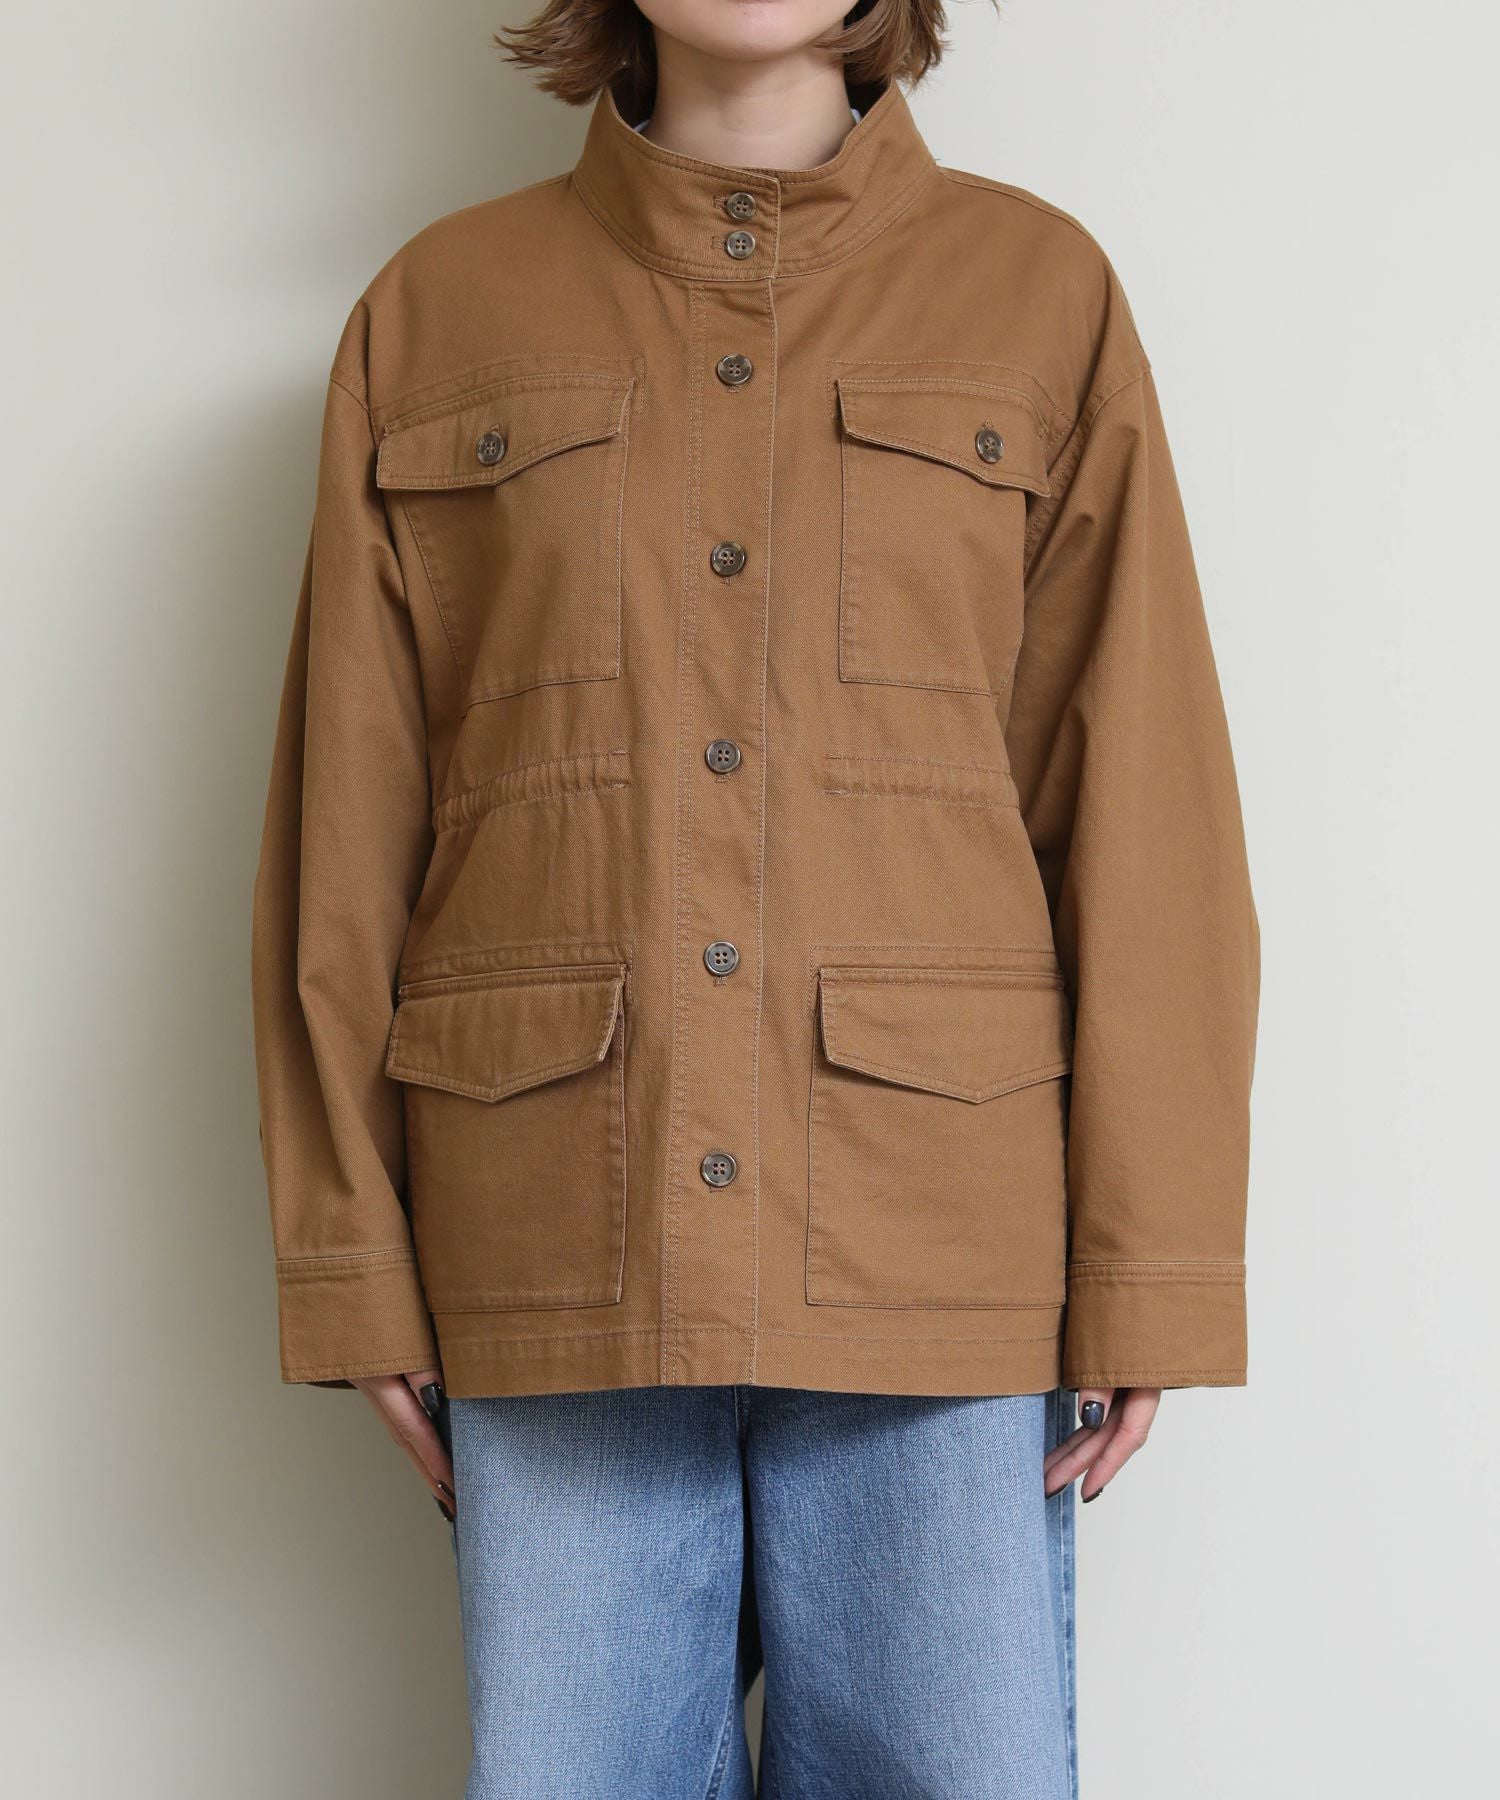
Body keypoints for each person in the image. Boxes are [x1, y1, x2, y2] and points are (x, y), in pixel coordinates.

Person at [250, 1, 1259, 1793]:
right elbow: (346, 828)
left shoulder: (1041, 298)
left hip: (934, 1245)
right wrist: (352, 1261)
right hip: (556, 1232)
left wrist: (1150, 1268)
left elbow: (1140, 805)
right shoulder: (434, 315)